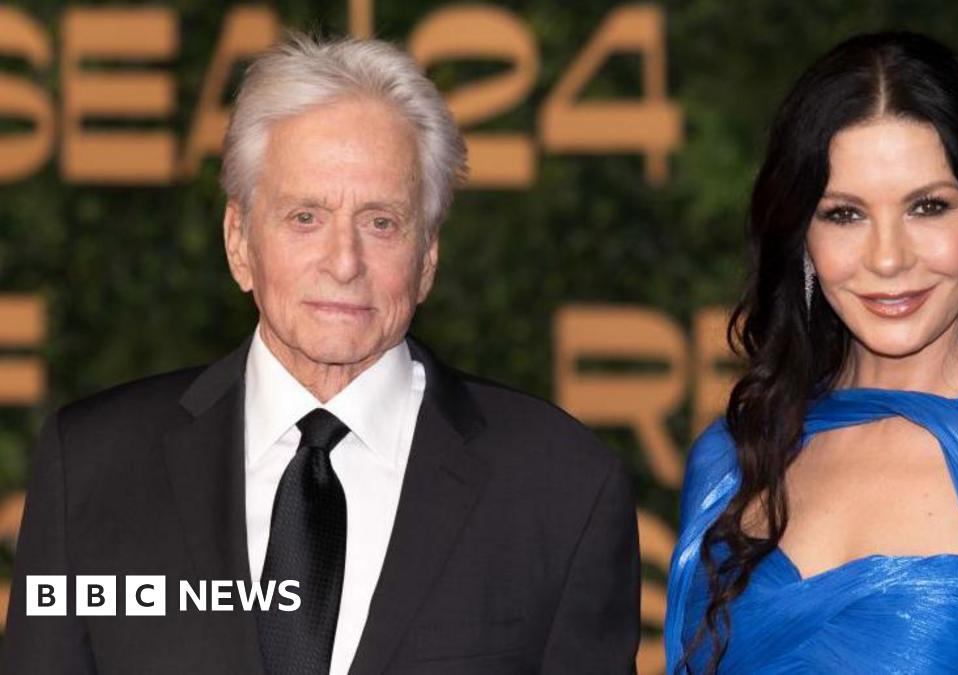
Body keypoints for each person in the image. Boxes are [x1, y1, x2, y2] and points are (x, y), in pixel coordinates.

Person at [5, 34, 639, 674]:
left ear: (428, 258)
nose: (344, 263)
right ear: (239, 242)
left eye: (381, 222)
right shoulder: (91, 467)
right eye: (305, 217)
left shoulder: (562, 486)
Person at [664, 31, 958, 674]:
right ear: (801, 235)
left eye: (928, 207)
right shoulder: (731, 457)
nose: (888, 258)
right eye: (844, 214)